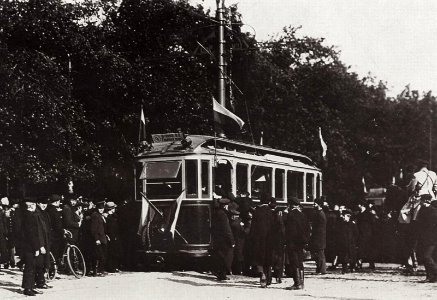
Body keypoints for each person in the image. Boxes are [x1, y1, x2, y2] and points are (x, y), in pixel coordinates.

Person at [285, 197, 310, 290]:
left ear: (290, 204)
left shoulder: (290, 215)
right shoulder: (302, 215)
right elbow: (308, 229)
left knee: (294, 262)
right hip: (301, 242)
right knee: (300, 262)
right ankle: (302, 283)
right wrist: (305, 240)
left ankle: (297, 283)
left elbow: (289, 230)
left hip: (293, 242)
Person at [249, 194, 274, 288]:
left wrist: (251, 238)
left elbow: (253, 227)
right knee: (268, 258)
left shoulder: (257, 212)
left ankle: (262, 275)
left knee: (259, 258)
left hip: (259, 240)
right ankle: (269, 278)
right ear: (268, 202)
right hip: (269, 239)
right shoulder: (271, 212)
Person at [21, 199, 43, 296]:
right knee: (30, 267)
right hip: (30, 246)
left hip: (28, 246)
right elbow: (32, 234)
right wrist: (36, 248)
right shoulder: (29, 217)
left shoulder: (26, 215)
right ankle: (28, 288)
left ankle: (30, 286)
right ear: (31, 206)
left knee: (31, 267)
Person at [211, 197, 234, 281]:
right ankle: (223, 275)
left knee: (219, 256)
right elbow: (227, 229)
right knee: (226, 257)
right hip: (224, 239)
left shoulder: (216, 212)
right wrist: (231, 240)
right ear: (225, 206)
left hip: (217, 238)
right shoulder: (223, 215)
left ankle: (220, 274)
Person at [416, 195, 437, 282]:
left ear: (425, 201)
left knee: (426, 257)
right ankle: (430, 277)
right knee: (424, 258)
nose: (420, 202)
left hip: (432, 238)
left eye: (421, 200)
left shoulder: (434, 211)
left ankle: (435, 273)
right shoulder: (422, 210)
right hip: (423, 238)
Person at [310, 197, 327, 275]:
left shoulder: (320, 214)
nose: (313, 205)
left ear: (319, 205)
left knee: (320, 253)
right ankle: (320, 269)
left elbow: (319, 228)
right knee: (319, 253)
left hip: (319, 237)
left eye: (315, 204)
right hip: (319, 237)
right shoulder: (319, 213)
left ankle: (321, 270)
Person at [90, 201, 108, 276]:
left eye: (102, 208)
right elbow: (94, 229)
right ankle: (97, 271)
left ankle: (100, 271)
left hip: (102, 237)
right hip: (98, 238)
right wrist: (96, 239)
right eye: (100, 208)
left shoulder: (100, 215)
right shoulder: (95, 215)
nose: (101, 210)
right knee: (98, 255)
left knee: (101, 255)